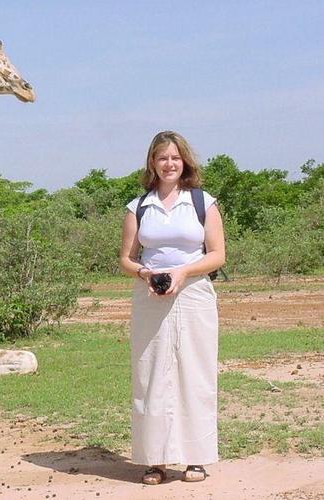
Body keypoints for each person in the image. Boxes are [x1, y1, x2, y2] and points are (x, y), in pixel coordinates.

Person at [120, 131, 225, 485]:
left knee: (196, 373)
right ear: (152, 162)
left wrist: (182, 272)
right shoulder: (138, 206)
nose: (169, 164)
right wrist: (147, 273)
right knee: (150, 375)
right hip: (150, 296)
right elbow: (126, 258)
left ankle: (196, 458)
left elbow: (217, 254)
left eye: (175, 158)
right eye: (162, 158)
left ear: (185, 162)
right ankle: (155, 460)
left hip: (194, 293)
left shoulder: (203, 202)